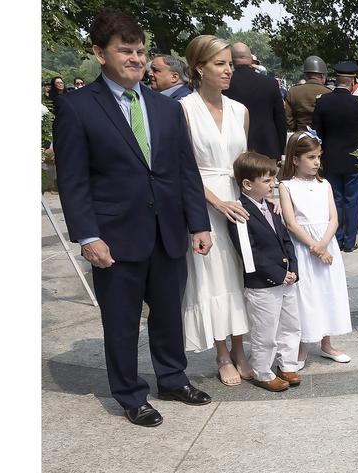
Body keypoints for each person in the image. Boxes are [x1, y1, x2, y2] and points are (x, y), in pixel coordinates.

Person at [53, 9, 212, 427]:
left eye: (141, 51)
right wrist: (88, 235)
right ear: (99, 53)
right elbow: (73, 180)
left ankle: (173, 378)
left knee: (168, 313)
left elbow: (185, 171)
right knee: (121, 321)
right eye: (125, 51)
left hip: (168, 231)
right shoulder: (76, 107)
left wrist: (199, 223)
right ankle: (129, 392)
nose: (136, 59)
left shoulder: (164, 108)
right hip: (115, 234)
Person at [179, 35, 253, 386]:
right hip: (204, 203)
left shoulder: (241, 111)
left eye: (229, 63)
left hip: (239, 203)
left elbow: (244, 164)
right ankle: (222, 353)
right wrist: (216, 201)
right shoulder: (184, 109)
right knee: (212, 277)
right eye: (219, 63)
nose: (228, 70)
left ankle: (241, 348)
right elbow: (184, 168)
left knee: (241, 273)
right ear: (199, 68)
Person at [227, 152, 301, 392]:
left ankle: (288, 364)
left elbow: (285, 240)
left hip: (286, 278)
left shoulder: (271, 206)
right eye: (268, 181)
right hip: (263, 283)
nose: (273, 185)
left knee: (290, 324)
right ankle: (262, 370)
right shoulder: (239, 211)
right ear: (248, 184)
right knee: (265, 331)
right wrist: (277, 274)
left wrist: (293, 268)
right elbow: (249, 255)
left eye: (273, 180)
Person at [278, 132, 353, 368]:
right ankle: (302, 345)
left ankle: (327, 343)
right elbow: (291, 223)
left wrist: (323, 245)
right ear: (295, 159)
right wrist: (315, 247)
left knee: (327, 292)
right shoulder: (286, 186)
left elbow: (334, 218)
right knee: (305, 297)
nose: (317, 162)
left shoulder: (325, 184)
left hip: (326, 245)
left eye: (318, 157)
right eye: (310, 157)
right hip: (304, 248)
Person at [313, 61, 358, 253]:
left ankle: (336, 237)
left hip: (330, 159)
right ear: (352, 82)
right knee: (352, 202)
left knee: (335, 200)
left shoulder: (322, 101)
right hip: (354, 160)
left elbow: (316, 132)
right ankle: (349, 242)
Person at [224, 42, 288, 162]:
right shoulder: (270, 83)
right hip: (268, 146)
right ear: (251, 59)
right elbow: (280, 118)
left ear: (232, 60)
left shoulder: (225, 84)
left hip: (235, 148)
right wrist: (280, 149)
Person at [284, 55, 330, 132]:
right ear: (322, 75)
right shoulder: (328, 92)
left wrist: (298, 130)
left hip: (300, 136)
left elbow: (288, 120)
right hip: (322, 138)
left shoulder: (293, 91)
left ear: (305, 75)